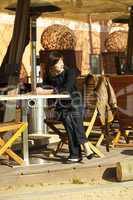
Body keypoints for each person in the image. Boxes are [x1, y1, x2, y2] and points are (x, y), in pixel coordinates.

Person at [37, 50, 94, 163]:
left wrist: (46, 92)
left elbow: (66, 90)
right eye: (58, 62)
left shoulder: (70, 72)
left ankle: (75, 154)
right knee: (69, 117)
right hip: (60, 107)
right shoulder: (48, 74)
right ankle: (85, 144)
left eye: (62, 61)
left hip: (76, 104)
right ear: (52, 64)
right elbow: (44, 87)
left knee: (70, 117)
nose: (62, 63)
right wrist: (40, 89)